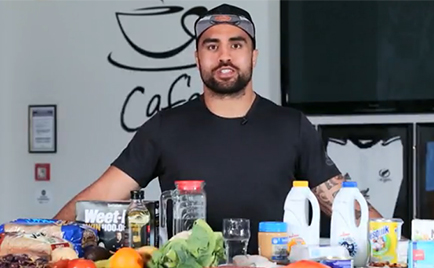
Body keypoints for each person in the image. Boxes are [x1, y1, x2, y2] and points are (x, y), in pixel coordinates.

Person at [53, 3, 383, 254]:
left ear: (253, 56)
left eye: (236, 45)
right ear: (197, 58)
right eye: (212, 46)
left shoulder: (291, 126)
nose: (224, 55)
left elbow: (345, 207)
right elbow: (98, 197)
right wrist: (38, 236)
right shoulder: (165, 128)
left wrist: (397, 241)